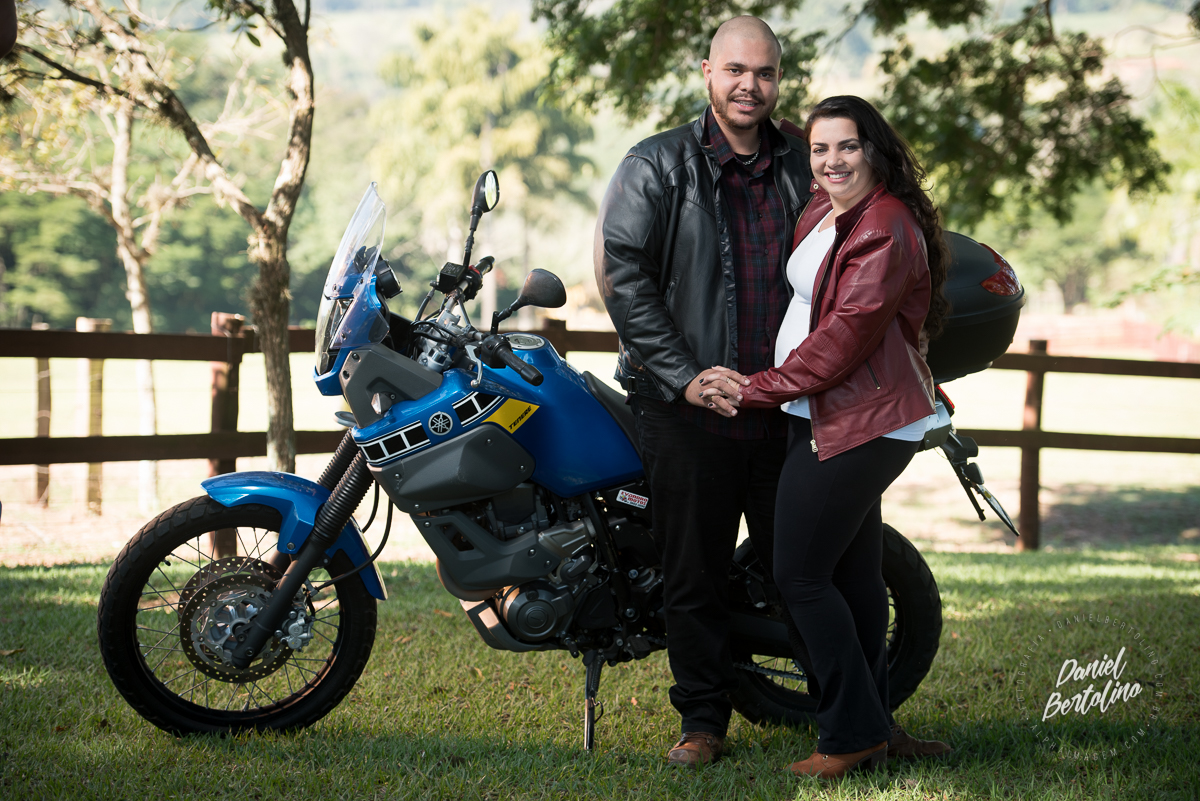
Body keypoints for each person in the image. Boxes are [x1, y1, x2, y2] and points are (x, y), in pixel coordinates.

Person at [697, 95, 953, 779]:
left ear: (876, 151)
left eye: (848, 146)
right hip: (827, 414)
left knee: (799, 574)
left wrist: (755, 387)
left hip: (863, 420)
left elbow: (842, 341)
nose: (832, 160)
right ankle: (877, 725)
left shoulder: (886, 227)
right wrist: (738, 98)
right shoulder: (826, 210)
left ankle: (850, 733)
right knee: (854, 574)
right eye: (820, 148)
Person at [594, 16, 812, 766]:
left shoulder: (804, 165)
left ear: (779, 79)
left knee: (807, 564)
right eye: (735, 70)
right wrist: (687, 377)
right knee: (695, 569)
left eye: (765, 72)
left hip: (784, 406)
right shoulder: (656, 165)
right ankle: (702, 723)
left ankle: (853, 714)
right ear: (706, 71)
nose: (750, 84)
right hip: (684, 408)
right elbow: (624, 278)